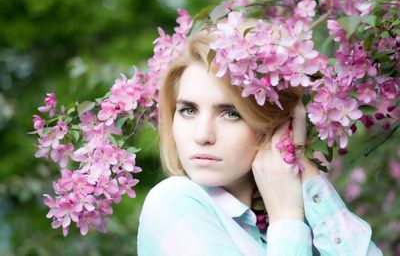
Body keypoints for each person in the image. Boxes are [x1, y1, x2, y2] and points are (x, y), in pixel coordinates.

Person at [136, 28, 383, 255]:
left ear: (276, 125)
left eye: (231, 113)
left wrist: (304, 173)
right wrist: (286, 217)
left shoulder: (283, 225)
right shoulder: (172, 201)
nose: (202, 135)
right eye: (188, 111)